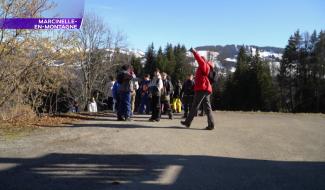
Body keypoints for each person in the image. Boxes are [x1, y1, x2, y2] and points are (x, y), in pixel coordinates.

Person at [181, 48, 215, 130]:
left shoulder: (204, 65)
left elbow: (199, 59)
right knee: (207, 107)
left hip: (202, 89)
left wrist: (194, 52)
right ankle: (211, 125)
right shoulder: (205, 67)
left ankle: (187, 122)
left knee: (195, 106)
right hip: (206, 89)